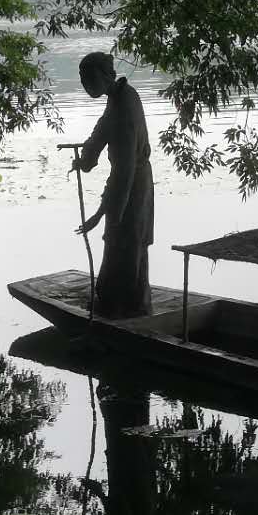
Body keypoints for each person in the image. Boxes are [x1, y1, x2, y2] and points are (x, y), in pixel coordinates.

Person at [73, 52, 154, 318]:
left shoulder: (125, 103)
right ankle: (127, 306)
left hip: (133, 185)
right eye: (82, 79)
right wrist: (86, 158)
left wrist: (101, 214)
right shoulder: (117, 98)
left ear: (105, 76)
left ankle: (125, 310)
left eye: (89, 78)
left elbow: (123, 171)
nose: (85, 84)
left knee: (126, 244)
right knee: (121, 243)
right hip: (127, 181)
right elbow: (102, 129)